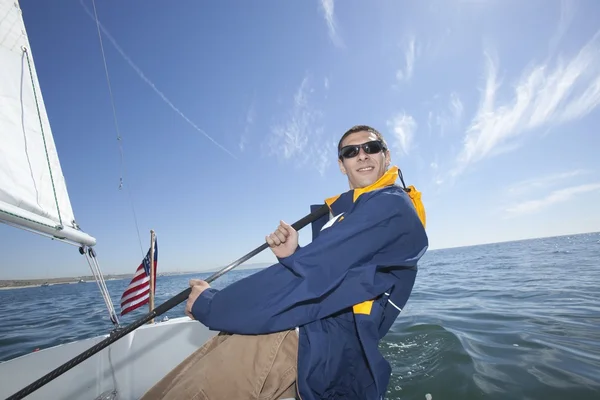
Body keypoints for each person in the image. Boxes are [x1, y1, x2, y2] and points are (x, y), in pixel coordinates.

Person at [141, 125, 428, 400]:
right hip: (302, 330)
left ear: (386, 156)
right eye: (351, 152)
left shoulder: (389, 206)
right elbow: (341, 275)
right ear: (342, 165)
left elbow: (309, 281)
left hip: (303, 339)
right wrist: (295, 254)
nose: (362, 155)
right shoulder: (354, 212)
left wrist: (210, 303)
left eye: (371, 147)